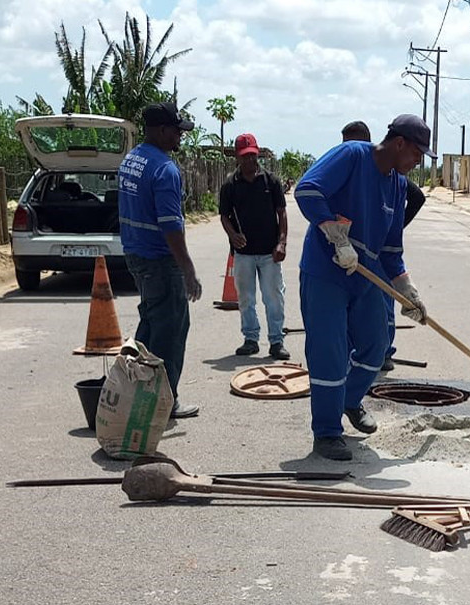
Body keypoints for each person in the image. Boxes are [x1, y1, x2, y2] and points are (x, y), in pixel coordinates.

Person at [294, 115, 432, 461]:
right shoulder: (353, 155)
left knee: (376, 347)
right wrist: (335, 235)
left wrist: (407, 291)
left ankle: (348, 401)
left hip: (365, 274)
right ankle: (326, 432)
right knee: (330, 352)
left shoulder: (398, 184)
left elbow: (391, 249)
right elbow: (307, 190)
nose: (417, 163)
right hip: (327, 270)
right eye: (417, 154)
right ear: (398, 143)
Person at [117, 102, 203, 418]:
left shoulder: (132, 159)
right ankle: (164, 403)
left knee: (151, 327)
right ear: (162, 130)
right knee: (171, 331)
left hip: (135, 254)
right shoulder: (164, 169)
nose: (181, 136)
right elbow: (171, 225)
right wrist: (188, 270)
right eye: (177, 130)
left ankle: (134, 392)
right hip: (159, 260)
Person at [340, 120, 426, 372]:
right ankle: (354, 355)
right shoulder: (350, 166)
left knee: (383, 304)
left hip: (377, 253)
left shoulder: (390, 174)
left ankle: (384, 351)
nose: (349, 148)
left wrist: (393, 227)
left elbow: (418, 197)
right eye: (345, 144)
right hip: (348, 252)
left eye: (354, 143)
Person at [219, 132, 290, 360]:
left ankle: (276, 341)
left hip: (270, 253)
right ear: (237, 158)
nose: (249, 160)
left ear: (257, 154)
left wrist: (281, 243)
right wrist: (233, 235)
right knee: (246, 298)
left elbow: (282, 213)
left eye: (252, 155)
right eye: (244, 156)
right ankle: (250, 339)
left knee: (273, 297)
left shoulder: (271, 182)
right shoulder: (230, 185)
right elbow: (224, 216)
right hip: (244, 254)